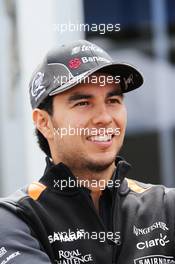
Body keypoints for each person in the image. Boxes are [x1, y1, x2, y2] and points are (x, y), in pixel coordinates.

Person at [0, 40, 174, 264]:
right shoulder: (16, 219)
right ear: (44, 122)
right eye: (83, 103)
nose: (104, 117)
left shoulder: (167, 207)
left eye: (112, 100)